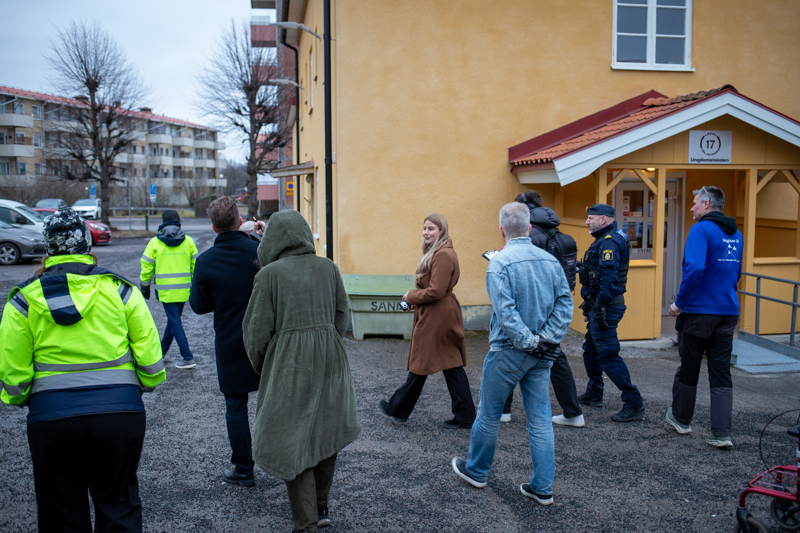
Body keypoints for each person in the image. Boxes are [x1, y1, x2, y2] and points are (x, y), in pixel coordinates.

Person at [0, 207, 166, 532]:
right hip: (121, 414)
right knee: (119, 504)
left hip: (52, 420)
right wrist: (141, 385)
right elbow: (151, 362)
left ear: (47, 249)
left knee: (61, 512)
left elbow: (14, 378)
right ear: (88, 245)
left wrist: (21, 398)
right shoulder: (122, 291)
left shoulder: (22, 301)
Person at [243, 210, 360, 533]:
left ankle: (306, 521)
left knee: (291, 441)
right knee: (326, 432)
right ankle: (320, 506)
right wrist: (328, 344)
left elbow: (256, 334)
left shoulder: (269, 276)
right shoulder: (328, 268)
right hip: (329, 362)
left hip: (289, 367)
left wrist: (268, 366)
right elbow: (342, 315)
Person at [450, 202, 572, 505]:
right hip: (542, 353)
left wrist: (530, 341)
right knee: (540, 419)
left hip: (508, 351)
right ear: (529, 228)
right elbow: (565, 305)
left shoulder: (500, 263)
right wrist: (546, 339)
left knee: (490, 414)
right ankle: (543, 487)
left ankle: (477, 471)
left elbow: (506, 314)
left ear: (502, 230)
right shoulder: (550, 261)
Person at [378, 213, 476, 429]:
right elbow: (433, 291)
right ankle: (466, 415)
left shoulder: (442, 255)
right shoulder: (440, 252)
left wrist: (412, 296)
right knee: (451, 364)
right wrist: (416, 301)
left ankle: (398, 408)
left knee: (422, 363)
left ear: (441, 230)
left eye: (431, 228)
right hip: (438, 313)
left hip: (437, 316)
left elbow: (436, 291)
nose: (426, 232)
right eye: (424, 228)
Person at [189, 197, 262, 486]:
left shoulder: (205, 262)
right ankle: (286, 463)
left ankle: (244, 468)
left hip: (231, 341)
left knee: (236, 406)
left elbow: (199, 306)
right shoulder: (258, 250)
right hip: (267, 338)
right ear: (238, 219)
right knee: (276, 401)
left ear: (213, 227)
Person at [666, 186, 742, 449]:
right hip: (728, 311)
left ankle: (681, 419)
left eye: (695, 203)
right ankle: (722, 433)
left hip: (699, 311)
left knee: (690, 365)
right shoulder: (736, 233)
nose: (691, 208)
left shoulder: (700, 230)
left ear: (706, 204)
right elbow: (736, 272)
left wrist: (680, 302)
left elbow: (695, 267)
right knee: (721, 372)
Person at [501, 190, 585, 428]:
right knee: (555, 355)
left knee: (509, 350)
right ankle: (572, 411)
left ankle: (503, 410)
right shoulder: (558, 234)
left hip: (529, 303)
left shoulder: (529, 237)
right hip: (553, 304)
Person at [578, 204, 646, 422]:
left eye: (591, 218)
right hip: (598, 304)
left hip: (605, 306)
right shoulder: (606, 238)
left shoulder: (610, 242)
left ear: (604, 219)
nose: (587, 222)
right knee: (591, 350)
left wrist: (600, 304)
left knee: (608, 354)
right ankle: (594, 392)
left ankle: (633, 402)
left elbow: (609, 276)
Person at [140, 210, 198, 368]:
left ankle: (187, 357)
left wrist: (145, 289)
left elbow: (146, 268)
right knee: (174, 322)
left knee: (175, 322)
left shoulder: (154, 243)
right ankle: (161, 353)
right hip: (184, 290)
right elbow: (196, 267)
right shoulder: (189, 242)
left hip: (166, 292)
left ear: (163, 222)